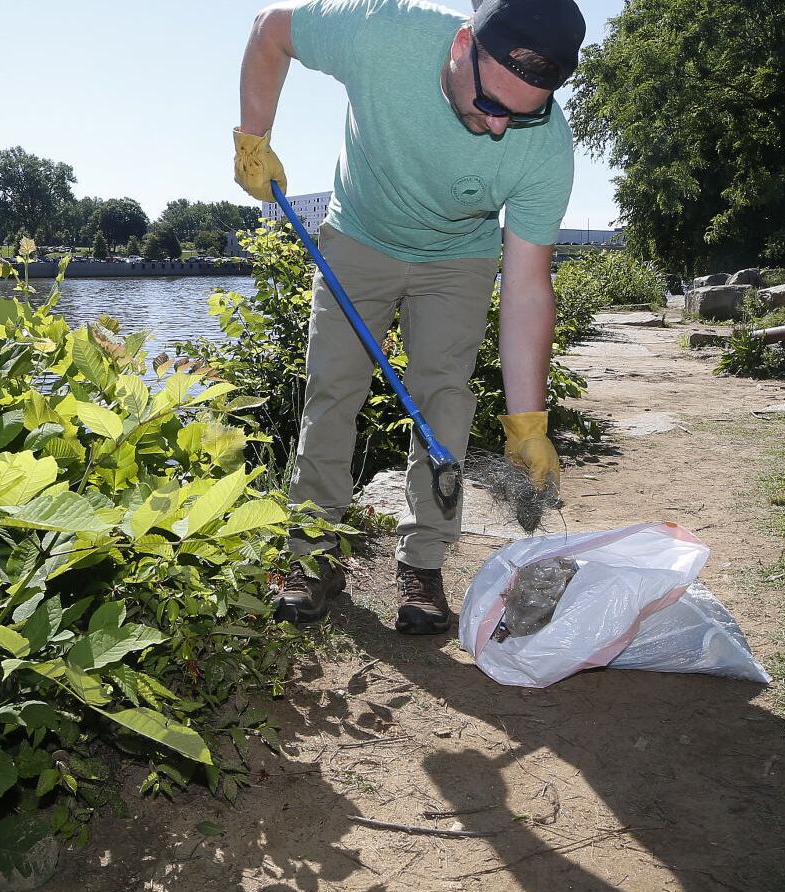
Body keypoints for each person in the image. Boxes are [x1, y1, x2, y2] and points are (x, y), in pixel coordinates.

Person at [234, 0, 584, 634]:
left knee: (445, 400)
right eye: (491, 104)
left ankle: (422, 563)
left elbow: (528, 287)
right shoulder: (383, 34)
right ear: (459, 47)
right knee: (333, 390)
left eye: (522, 114)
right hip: (359, 239)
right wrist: (252, 134)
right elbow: (270, 29)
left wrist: (529, 422)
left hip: (458, 257)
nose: (501, 128)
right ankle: (311, 554)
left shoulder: (545, 150)